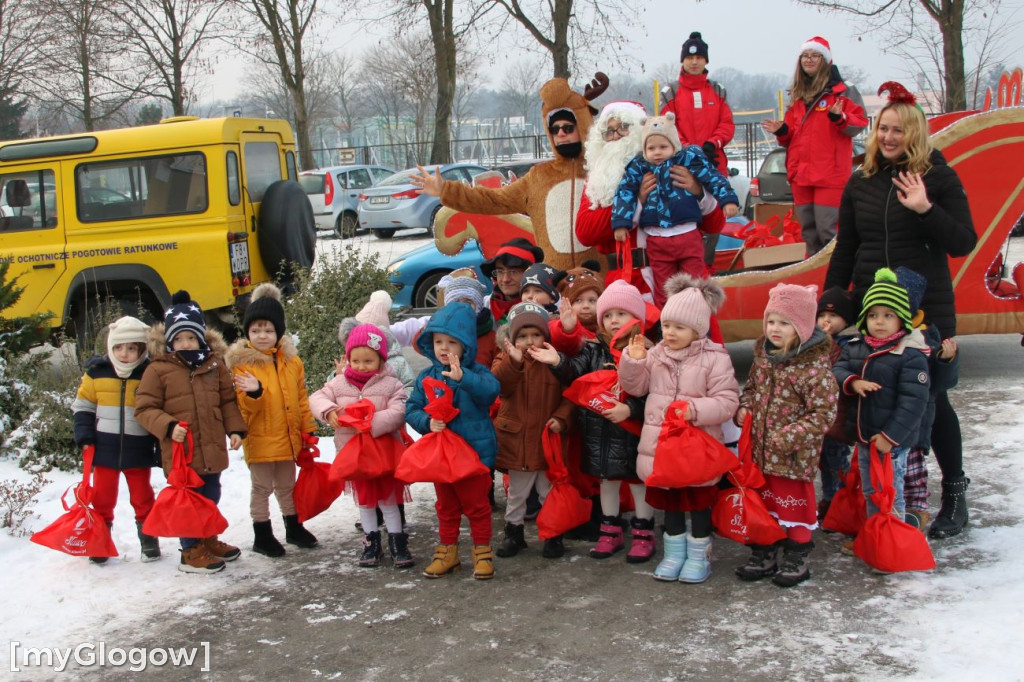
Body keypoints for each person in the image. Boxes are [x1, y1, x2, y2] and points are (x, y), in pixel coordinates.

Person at [824, 81, 977, 539]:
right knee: (870, 399)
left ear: (916, 134)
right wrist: (832, 301)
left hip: (925, 310)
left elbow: (963, 241)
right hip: (874, 310)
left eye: (898, 131)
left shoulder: (939, 177)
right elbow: (846, 246)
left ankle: (954, 493)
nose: (888, 137)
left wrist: (926, 208)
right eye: (883, 129)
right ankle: (876, 496)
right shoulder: (861, 180)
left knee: (931, 399)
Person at [413, 76, 606, 271]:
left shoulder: (602, 170)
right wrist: (445, 190)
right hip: (553, 283)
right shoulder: (538, 177)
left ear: (582, 126)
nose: (561, 134)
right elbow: (493, 199)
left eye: (568, 127)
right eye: (554, 129)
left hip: (599, 282)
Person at [618, 274, 739, 583]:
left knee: (697, 503)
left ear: (697, 329)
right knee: (670, 503)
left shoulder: (715, 358)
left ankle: (699, 555)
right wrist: (633, 362)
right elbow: (635, 388)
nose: (670, 333)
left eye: (679, 328)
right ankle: (674, 554)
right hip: (660, 447)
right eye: (667, 325)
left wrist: (695, 410)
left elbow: (727, 401)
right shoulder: (656, 355)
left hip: (695, 447)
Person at [530, 280, 655, 562]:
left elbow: (656, 392)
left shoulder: (646, 351)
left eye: (621, 314)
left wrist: (631, 410)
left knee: (638, 484)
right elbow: (575, 374)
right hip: (599, 433)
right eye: (608, 315)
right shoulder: (593, 349)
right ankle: (609, 531)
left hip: (632, 434)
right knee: (606, 483)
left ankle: (644, 533)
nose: (613, 321)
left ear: (637, 317)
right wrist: (557, 361)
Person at [136, 291, 247, 574]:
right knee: (188, 501)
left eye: (191, 337)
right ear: (170, 341)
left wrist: (234, 429)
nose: (185, 343)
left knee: (211, 493)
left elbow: (227, 401)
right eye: (179, 338)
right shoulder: (158, 369)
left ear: (201, 337)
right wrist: (168, 426)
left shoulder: (213, 365)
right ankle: (190, 550)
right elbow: (145, 408)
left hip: (211, 446)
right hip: (181, 452)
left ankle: (207, 538)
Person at [734, 283, 837, 587]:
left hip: (792, 456)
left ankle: (798, 553)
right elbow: (752, 388)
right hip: (762, 453)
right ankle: (766, 549)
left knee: (794, 506)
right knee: (767, 506)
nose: (774, 329)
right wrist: (745, 406)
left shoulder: (814, 369)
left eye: (784, 323)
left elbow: (823, 415)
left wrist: (789, 436)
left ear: (802, 327)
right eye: (770, 321)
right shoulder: (763, 358)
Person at [407, 302, 501, 580]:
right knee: (446, 507)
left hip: (474, 455)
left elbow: (491, 392)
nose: (444, 348)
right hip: (442, 459)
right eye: (438, 341)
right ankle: (448, 552)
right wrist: (426, 423)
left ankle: (482, 553)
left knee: (477, 507)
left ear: (466, 346)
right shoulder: (427, 377)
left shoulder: (479, 373)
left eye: (451, 342)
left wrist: (464, 379)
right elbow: (411, 408)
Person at [224, 283, 319, 558]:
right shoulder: (243, 364)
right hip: (261, 437)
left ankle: (293, 526)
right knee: (263, 488)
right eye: (255, 331)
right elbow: (243, 409)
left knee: (288, 485)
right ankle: (262, 534)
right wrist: (255, 391)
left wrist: (307, 428)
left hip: (288, 436)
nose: (262, 336)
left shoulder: (292, 362)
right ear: (247, 332)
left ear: (279, 332)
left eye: (268, 330)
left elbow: (301, 396)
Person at [310, 323, 413, 568]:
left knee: (389, 500)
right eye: (355, 360)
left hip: (383, 454)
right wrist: (329, 411)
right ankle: (371, 542)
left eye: (368, 361)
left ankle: (398, 541)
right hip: (355, 456)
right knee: (365, 502)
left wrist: (372, 422)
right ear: (347, 358)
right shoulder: (339, 384)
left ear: (381, 360)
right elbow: (316, 397)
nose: (361, 366)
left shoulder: (391, 384)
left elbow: (399, 410)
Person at [832, 269, 930, 527]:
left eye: (888, 315)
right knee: (870, 490)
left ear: (902, 320)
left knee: (889, 491)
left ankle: (891, 538)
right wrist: (853, 382)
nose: (879, 322)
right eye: (873, 315)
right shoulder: (856, 346)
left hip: (891, 441)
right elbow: (838, 370)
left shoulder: (910, 354)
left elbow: (914, 403)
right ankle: (875, 534)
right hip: (866, 437)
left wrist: (890, 437)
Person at [611, 114, 739, 306]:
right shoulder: (639, 167)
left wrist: (727, 200)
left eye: (663, 147)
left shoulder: (687, 160)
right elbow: (624, 192)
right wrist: (621, 223)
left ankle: (696, 323)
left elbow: (713, 177)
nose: (657, 153)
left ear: (674, 146)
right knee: (664, 288)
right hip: (657, 239)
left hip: (687, 234)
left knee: (694, 286)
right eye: (651, 148)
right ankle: (667, 325)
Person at [761, 36, 867, 254]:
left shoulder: (843, 91)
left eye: (814, 56)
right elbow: (791, 136)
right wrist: (781, 131)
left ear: (826, 60)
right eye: (805, 56)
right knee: (809, 233)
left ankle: (837, 281)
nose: (808, 60)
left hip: (830, 175)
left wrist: (840, 118)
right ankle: (814, 283)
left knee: (829, 232)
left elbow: (859, 123)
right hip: (802, 175)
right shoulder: (799, 94)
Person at [72, 316, 161, 564]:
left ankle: (149, 539)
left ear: (142, 350)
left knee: (142, 496)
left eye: (131, 348)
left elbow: (155, 408)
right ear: (110, 346)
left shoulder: (148, 374)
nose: (124, 354)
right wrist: (84, 435)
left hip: (138, 448)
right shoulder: (97, 373)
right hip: (105, 450)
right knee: (102, 498)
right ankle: (100, 541)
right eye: (119, 347)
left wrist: (159, 442)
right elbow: (84, 405)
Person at [491, 302, 575, 559]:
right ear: (513, 338)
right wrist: (513, 362)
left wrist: (561, 419)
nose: (530, 341)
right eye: (523, 336)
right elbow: (499, 386)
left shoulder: (554, 360)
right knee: (516, 494)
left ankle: (553, 535)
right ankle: (513, 533)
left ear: (545, 336)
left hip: (547, 441)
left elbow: (570, 394)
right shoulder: (505, 358)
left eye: (536, 335)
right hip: (517, 441)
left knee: (547, 492)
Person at [893, 266, 960, 531]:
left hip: (916, 423)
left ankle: (914, 517)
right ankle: (883, 521)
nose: (884, 319)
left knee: (913, 473)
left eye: (893, 311)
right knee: (883, 478)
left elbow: (940, 383)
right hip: (882, 424)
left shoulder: (925, 336)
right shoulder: (874, 337)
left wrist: (945, 361)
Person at [661, 31, 735, 179]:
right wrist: (689, 150)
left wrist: (712, 144)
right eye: (689, 58)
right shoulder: (670, 92)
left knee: (721, 202)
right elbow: (667, 126)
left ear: (706, 61)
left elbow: (727, 124)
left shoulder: (718, 90)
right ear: (682, 60)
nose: (694, 62)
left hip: (714, 161)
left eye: (699, 57)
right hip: (681, 165)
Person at [814, 287, 858, 520]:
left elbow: (836, 369)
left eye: (832, 316)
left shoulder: (850, 342)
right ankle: (830, 498)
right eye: (821, 316)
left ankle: (841, 500)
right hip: (822, 413)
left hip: (839, 414)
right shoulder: (817, 340)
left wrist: (827, 343)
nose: (825, 321)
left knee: (837, 459)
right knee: (823, 459)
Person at [479, 238, 544, 324]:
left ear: (530, 273)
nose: (505, 279)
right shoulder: (484, 306)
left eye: (513, 272)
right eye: (500, 271)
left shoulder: (545, 305)